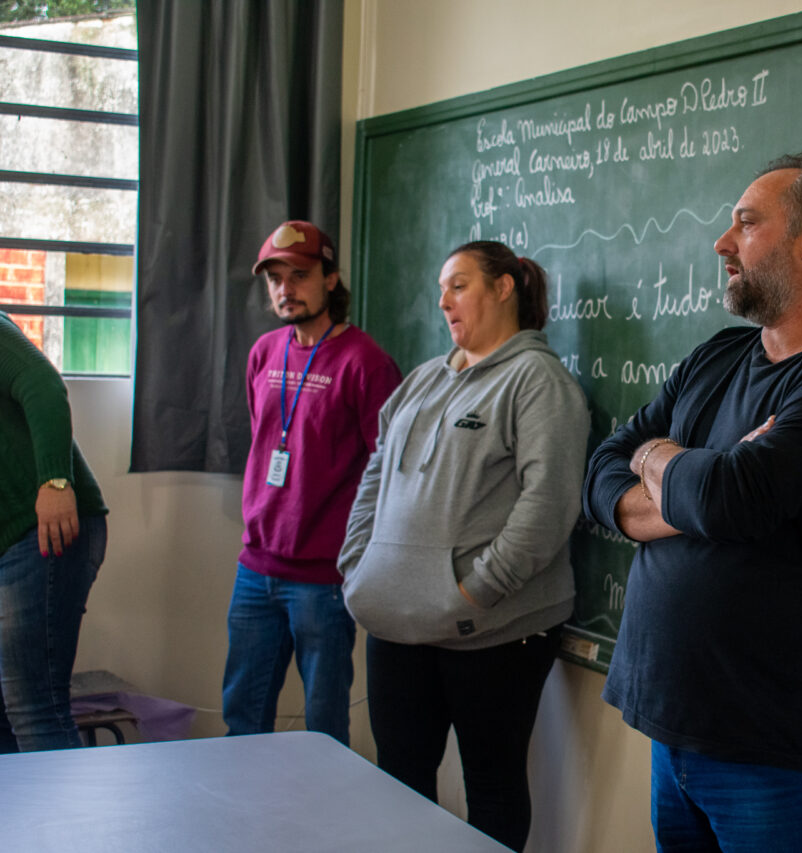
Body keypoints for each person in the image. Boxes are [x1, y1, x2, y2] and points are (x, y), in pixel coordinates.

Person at [582, 150, 802, 852]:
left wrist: (665, 462)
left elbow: (734, 498)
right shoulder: (717, 356)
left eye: (745, 224)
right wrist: (670, 469)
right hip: (679, 731)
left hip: (785, 752)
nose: (721, 243)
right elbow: (600, 472)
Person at [339, 241, 588, 851]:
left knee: (492, 788)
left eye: (459, 285)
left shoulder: (538, 380)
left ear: (504, 288)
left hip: (493, 630)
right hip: (395, 620)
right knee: (399, 781)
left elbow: (548, 502)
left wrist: (477, 589)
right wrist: (357, 564)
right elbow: (376, 472)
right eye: (442, 289)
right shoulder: (425, 377)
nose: (444, 301)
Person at [222, 220, 401, 745]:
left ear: (330, 280)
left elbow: (387, 471)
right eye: (275, 278)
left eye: (298, 275)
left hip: (324, 578)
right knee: (242, 718)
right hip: (255, 568)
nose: (285, 289)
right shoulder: (264, 352)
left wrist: (359, 559)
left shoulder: (366, 363)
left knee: (323, 730)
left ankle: (321, 828)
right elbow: (265, 438)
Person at [0, 311, 109, 752]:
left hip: (43, 530)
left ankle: (65, 824)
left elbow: (43, 387)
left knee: (34, 708)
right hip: (13, 540)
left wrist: (54, 481)